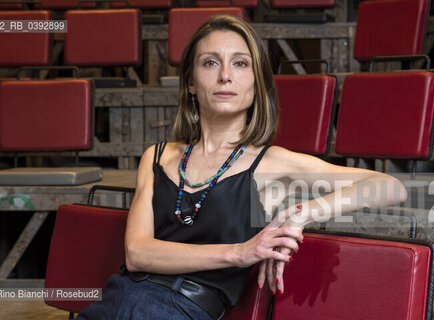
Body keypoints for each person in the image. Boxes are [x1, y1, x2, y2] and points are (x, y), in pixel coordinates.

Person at [76, 14, 407, 320]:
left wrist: (302, 214)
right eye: (210, 62)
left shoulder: (271, 163)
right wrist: (240, 252)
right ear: (191, 82)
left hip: (180, 309)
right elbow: (137, 253)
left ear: (256, 83)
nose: (225, 75)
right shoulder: (157, 156)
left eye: (240, 63)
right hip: (115, 300)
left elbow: (389, 186)